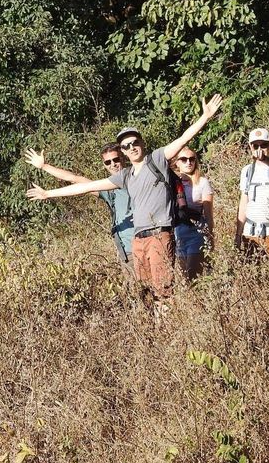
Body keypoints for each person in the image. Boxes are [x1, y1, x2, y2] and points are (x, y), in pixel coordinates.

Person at [27, 95, 223, 306]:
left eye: (134, 142)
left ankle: (165, 332)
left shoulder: (156, 159)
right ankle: (153, 333)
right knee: (145, 294)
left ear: (142, 143)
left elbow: (183, 139)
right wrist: (48, 192)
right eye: (126, 145)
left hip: (159, 235)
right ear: (123, 151)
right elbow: (86, 186)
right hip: (138, 241)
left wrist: (205, 117)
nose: (132, 147)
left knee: (163, 292)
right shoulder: (125, 176)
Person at [24, 144, 135, 279]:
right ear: (104, 165)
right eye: (108, 162)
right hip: (126, 252)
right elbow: (75, 179)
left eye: (116, 160)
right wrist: (44, 167)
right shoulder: (108, 189)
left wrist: (48, 193)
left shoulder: (133, 177)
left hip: (141, 247)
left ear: (123, 158)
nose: (113, 164)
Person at [236, 128, 269, 260]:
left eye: (264, 145)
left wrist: (265, 159)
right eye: (256, 145)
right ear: (250, 147)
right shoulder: (247, 171)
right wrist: (238, 234)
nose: (260, 149)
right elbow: (244, 202)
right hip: (251, 234)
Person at [172, 146, 214, 280]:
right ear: (177, 162)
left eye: (191, 159)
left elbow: (208, 214)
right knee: (184, 276)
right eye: (183, 159)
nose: (188, 162)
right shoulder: (172, 182)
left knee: (193, 275)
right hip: (178, 232)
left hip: (197, 232)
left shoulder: (202, 182)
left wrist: (210, 236)